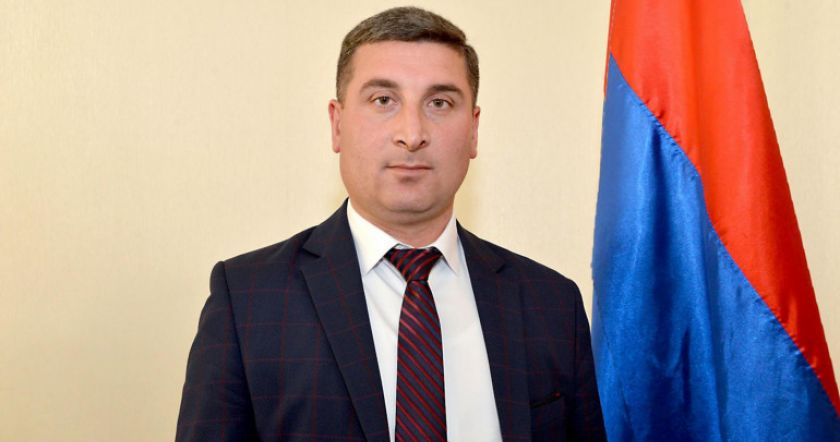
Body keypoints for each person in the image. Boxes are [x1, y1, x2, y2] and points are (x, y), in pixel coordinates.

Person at [176, 6, 605, 441]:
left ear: (473, 130)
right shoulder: (247, 300)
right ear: (337, 123)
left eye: (439, 103)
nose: (412, 133)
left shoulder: (552, 305)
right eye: (383, 100)